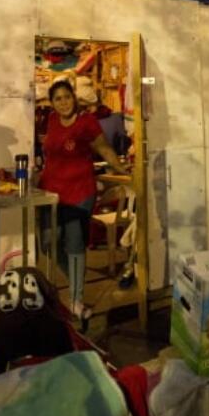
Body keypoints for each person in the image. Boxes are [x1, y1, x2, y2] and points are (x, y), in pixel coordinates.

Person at [38, 78, 128, 321]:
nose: (63, 102)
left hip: (79, 192)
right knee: (48, 242)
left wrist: (121, 169)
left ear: (74, 98)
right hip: (51, 193)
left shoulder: (87, 122)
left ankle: (77, 300)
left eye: (67, 97)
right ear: (52, 103)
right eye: (58, 99)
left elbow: (104, 149)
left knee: (75, 245)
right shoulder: (52, 120)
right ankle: (74, 279)